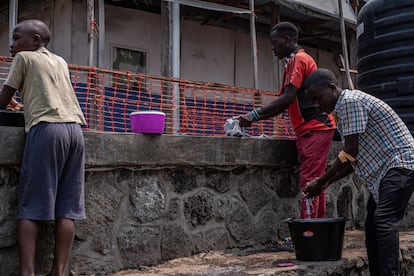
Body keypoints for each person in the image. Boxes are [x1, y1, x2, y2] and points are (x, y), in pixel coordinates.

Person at [303, 68, 414, 276]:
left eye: (319, 98)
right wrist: (325, 183)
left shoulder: (349, 102)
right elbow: (351, 160)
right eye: (313, 103)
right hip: (386, 171)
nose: (318, 106)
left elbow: (350, 151)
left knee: (383, 220)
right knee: (373, 224)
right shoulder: (344, 111)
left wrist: (320, 181)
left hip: (400, 164)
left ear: (332, 88)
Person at [0, 19, 87, 276]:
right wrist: (22, 103)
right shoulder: (59, 61)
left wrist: (10, 101)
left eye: (17, 38)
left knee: (31, 207)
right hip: (75, 132)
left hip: (47, 131)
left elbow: (3, 100)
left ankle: (27, 273)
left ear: (35, 40)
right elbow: (49, 94)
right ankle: (58, 272)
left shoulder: (24, 58)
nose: (12, 44)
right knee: (67, 209)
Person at [238, 22, 336, 219]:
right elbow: (285, 102)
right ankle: (318, 231)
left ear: (288, 39)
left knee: (310, 182)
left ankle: (308, 231)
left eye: (275, 42)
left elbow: (287, 98)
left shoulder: (298, 60)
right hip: (314, 129)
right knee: (317, 182)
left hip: (313, 129)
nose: (272, 47)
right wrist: (256, 118)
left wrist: (254, 115)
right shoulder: (299, 60)